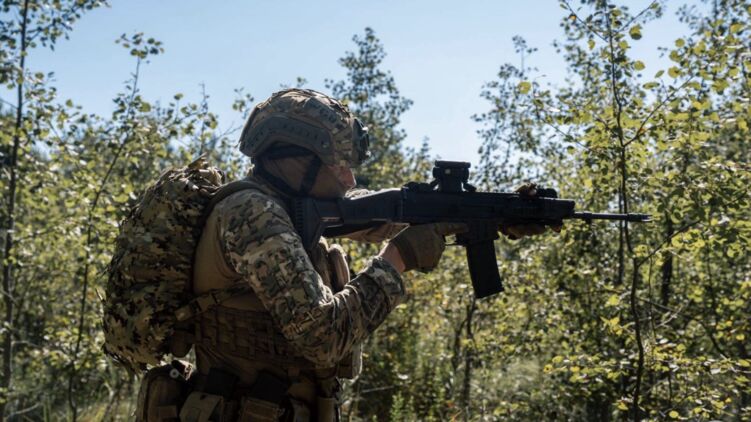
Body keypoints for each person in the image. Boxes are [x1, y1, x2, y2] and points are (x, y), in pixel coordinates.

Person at [180, 88, 549, 421]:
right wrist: (397, 259)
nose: (349, 179)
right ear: (297, 160)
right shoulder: (253, 214)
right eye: (338, 165)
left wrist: (491, 216)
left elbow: (373, 214)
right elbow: (323, 338)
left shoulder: (287, 207)